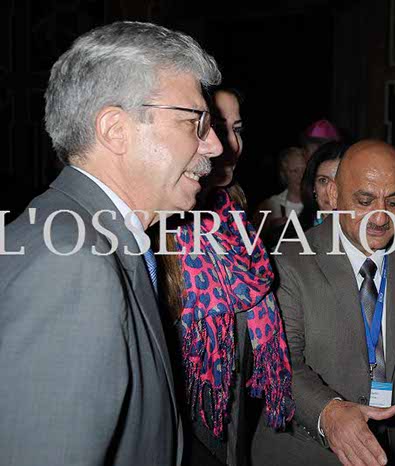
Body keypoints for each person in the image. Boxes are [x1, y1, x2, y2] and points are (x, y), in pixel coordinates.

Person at [0, 21, 223, 465]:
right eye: (194, 122)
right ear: (116, 129)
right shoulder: (71, 267)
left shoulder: (85, 237)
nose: (214, 146)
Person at [252, 140, 395, 466]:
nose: (380, 218)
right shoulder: (288, 261)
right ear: (333, 195)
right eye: (365, 201)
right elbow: (279, 363)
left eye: (394, 202)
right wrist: (328, 413)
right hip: (307, 454)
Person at [158, 86, 294, 466]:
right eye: (216, 128)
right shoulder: (157, 231)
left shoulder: (235, 219)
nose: (230, 144)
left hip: (235, 430)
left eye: (237, 129)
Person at [254, 146, 306, 244]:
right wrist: (271, 232)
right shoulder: (271, 205)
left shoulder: (318, 202)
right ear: (284, 173)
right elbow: (254, 242)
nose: (301, 176)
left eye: (304, 170)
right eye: (295, 171)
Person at [299, 141, 349, 229]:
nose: (331, 192)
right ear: (313, 187)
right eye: (323, 180)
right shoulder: (289, 235)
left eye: (340, 180)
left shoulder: (369, 233)